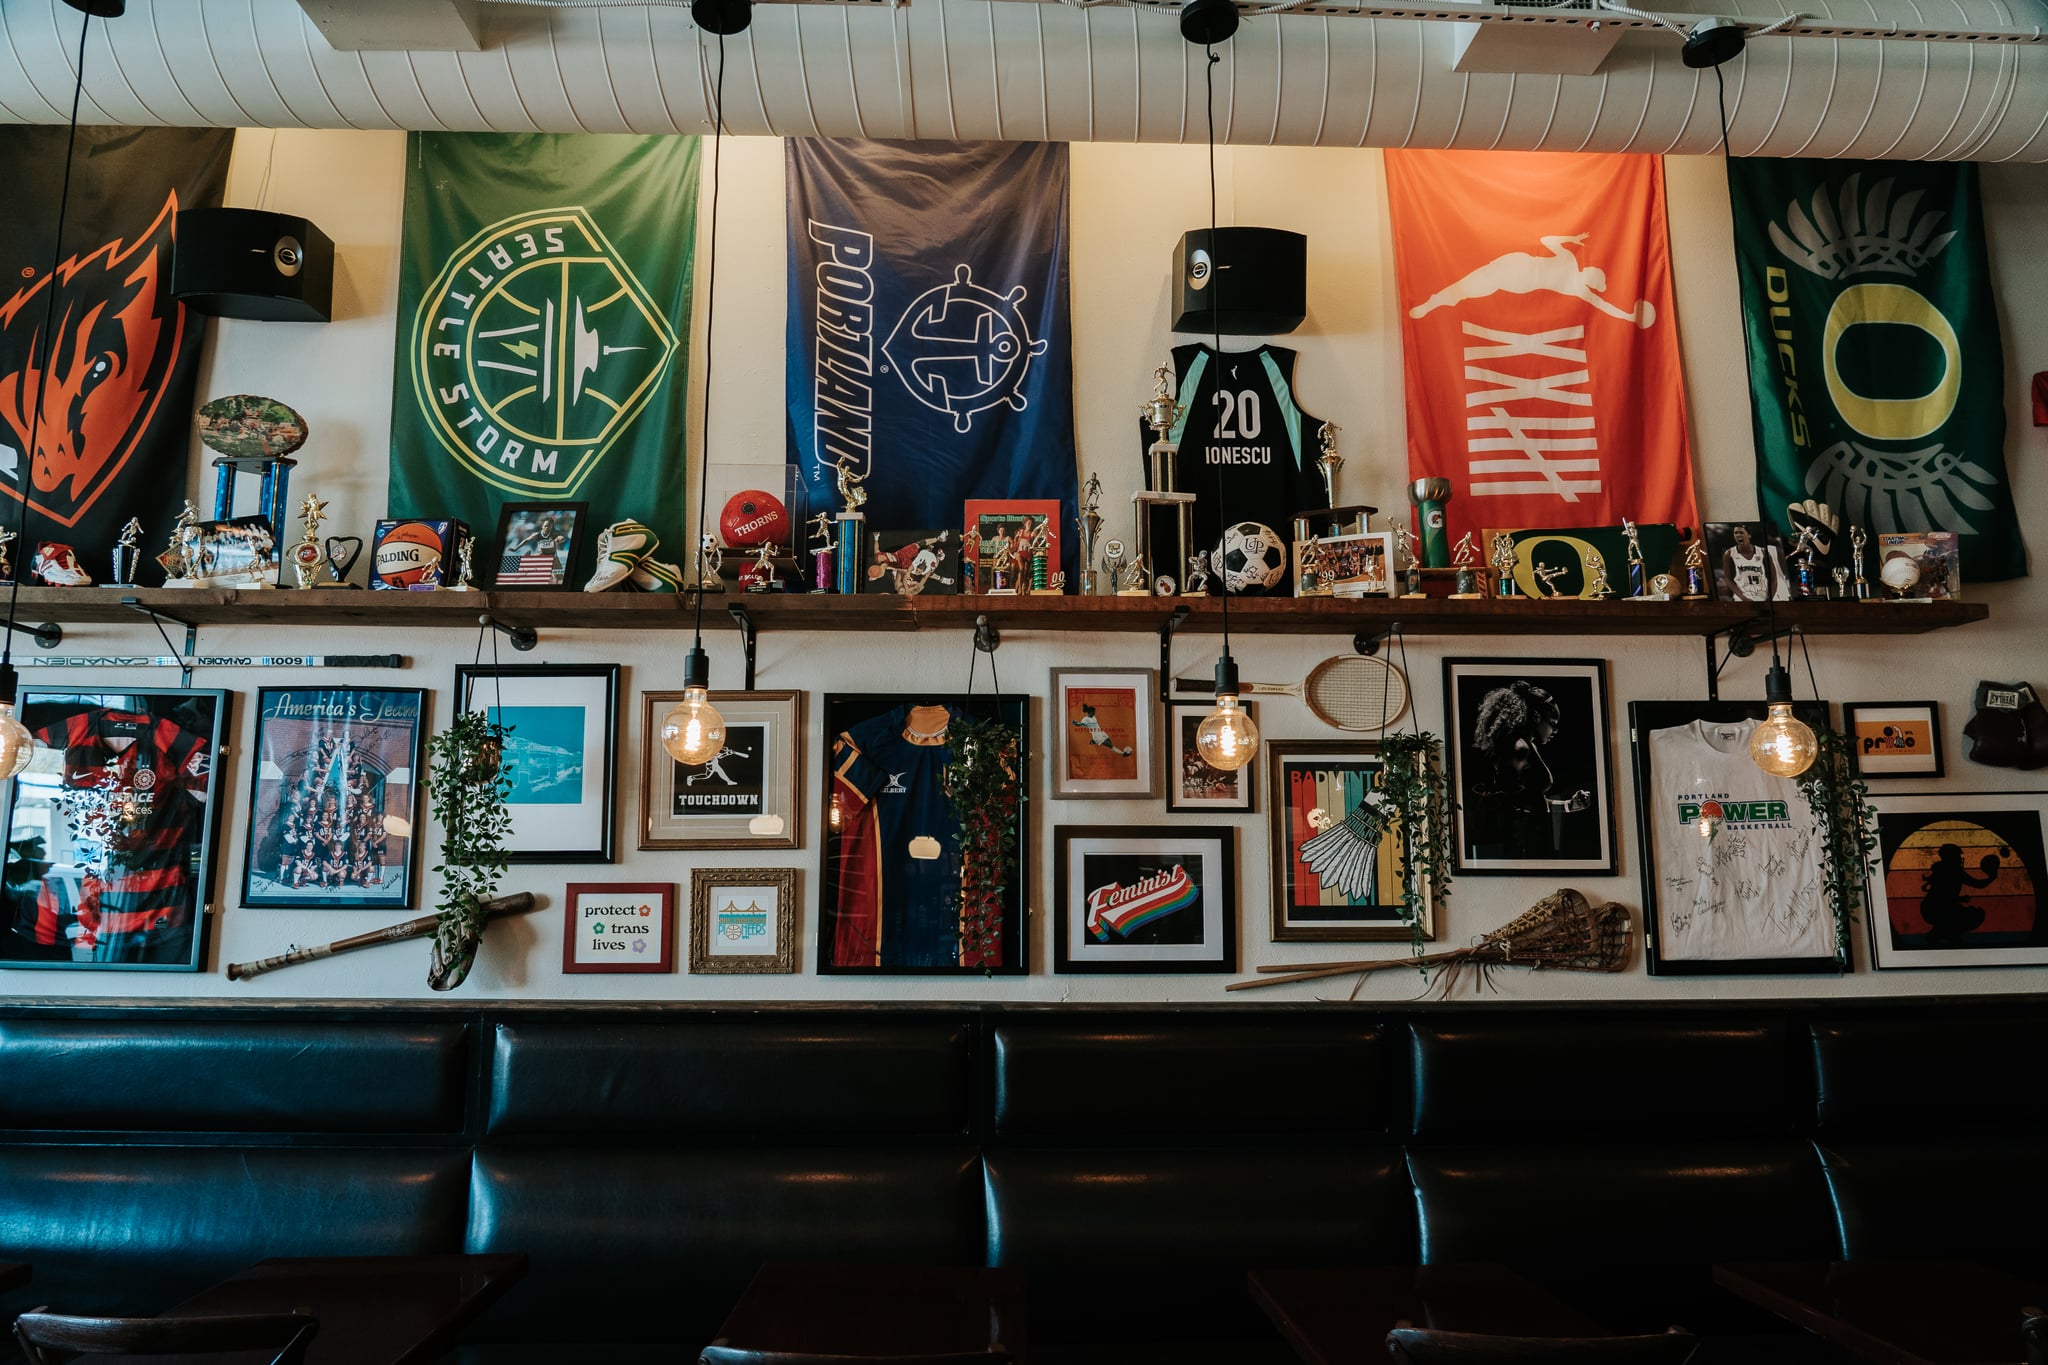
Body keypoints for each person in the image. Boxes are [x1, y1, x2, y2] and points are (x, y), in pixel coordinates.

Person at [1467, 680, 1591, 860]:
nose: (1555, 730)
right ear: (1536, 717)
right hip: (1515, 847)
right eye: (1553, 722)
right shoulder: (1520, 748)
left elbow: (1524, 804)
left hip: (1523, 844)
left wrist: (1569, 806)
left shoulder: (1526, 746)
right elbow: (1508, 806)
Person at [1918, 842, 1998, 948]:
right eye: (1958, 856)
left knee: (1959, 922)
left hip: (1929, 908)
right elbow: (1978, 884)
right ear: (1952, 857)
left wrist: (1958, 899)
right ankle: (1940, 934)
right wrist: (1992, 877)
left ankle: (1943, 934)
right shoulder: (1955, 871)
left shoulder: (1941, 869)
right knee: (1975, 916)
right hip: (1939, 911)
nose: (1960, 859)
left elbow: (1942, 894)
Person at [1719, 524, 1782, 602]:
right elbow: (1728, 579)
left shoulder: (1763, 552)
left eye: (1741, 532)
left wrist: (1769, 599)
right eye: (1736, 533)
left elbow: (1773, 579)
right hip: (1742, 599)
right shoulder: (1729, 554)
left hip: (1763, 596)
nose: (1738, 535)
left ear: (1749, 535)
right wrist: (1743, 598)